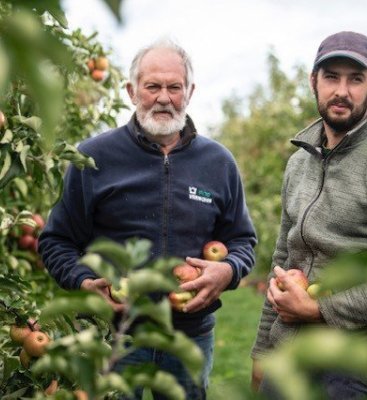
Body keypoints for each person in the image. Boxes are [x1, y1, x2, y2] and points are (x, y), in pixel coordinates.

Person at [38, 38, 257, 399]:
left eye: (175, 87)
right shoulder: (92, 157)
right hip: (113, 336)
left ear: (190, 92)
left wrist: (229, 270)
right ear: (131, 91)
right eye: (152, 86)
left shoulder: (218, 163)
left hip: (190, 334)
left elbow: (242, 240)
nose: (164, 97)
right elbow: (56, 240)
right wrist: (84, 283)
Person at [251, 31, 367, 399]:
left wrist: (319, 310)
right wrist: (261, 350)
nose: (342, 91)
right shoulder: (298, 163)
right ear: (313, 81)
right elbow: (283, 262)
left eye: (356, 79)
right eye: (331, 76)